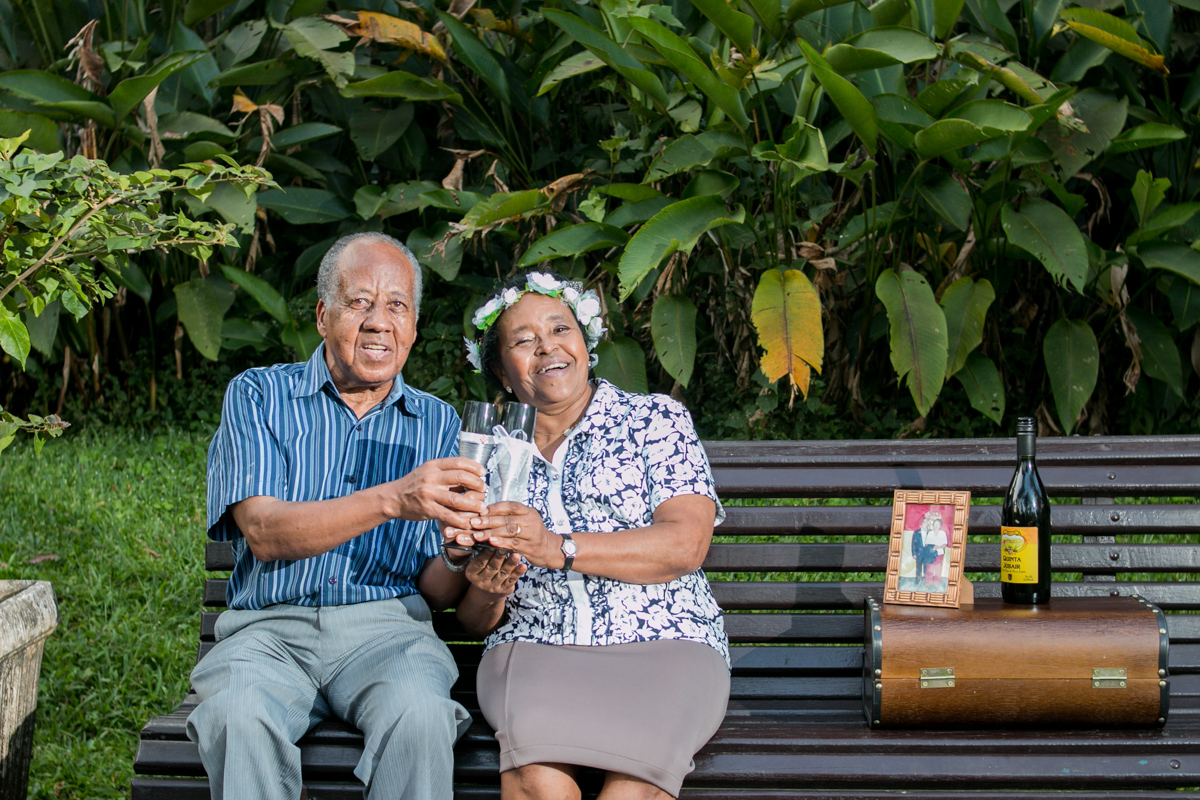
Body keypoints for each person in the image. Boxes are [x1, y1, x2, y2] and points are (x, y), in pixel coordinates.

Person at [187, 232, 489, 800]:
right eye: (359, 303)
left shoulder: (437, 422)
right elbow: (264, 532)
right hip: (269, 631)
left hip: (389, 633)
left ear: (415, 327)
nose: (379, 321)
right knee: (239, 715)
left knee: (422, 715)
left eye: (397, 305)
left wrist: (456, 553)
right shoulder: (258, 396)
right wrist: (393, 499)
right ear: (324, 316)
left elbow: (434, 588)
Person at [449, 269, 730, 800]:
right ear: (502, 373)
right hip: (533, 648)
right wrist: (487, 586)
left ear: (585, 342)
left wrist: (557, 548)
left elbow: (684, 545)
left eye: (560, 330)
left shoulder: (654, 421)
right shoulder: (486, 452)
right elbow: (471, 618)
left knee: (632, 789)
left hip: (666, 643)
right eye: (524, 340)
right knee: (536, 783)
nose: (548, 348)